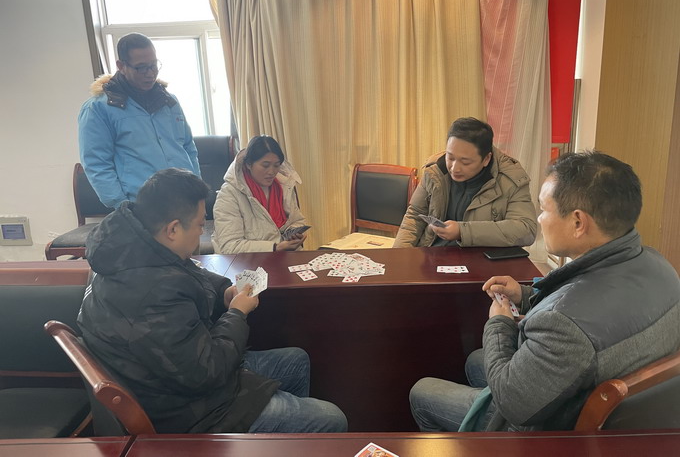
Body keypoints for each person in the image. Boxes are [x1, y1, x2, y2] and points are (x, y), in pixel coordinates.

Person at [409, 151, 680, 432]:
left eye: (544, 209)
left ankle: (476, 446)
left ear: (578, 222)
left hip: (548, 430)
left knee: (422, 392)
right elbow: (591, 308)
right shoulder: (660, 266)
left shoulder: (565, 326)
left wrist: (499, 323)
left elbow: (512, 404)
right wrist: (526, 296)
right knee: (476, 360)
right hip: (609, 401)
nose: (539, 219)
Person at [77, 168, 347, 433]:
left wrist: (224, 293)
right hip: (189, 412)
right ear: (173, 229)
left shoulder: (137, 251)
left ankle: (286, 443)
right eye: (199, 225)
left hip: (174, 379)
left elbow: (191, 276)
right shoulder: (151, 293)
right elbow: (207, 372)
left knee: (297, 361)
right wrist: (237, 314)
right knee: (330, 418)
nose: (201, 233)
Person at [78, 33, 200, 208]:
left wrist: (196, 189)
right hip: (140, 205)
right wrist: (121, 204)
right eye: (141, 68)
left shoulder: (170, 101)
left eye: (154, 65)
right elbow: (97, 163)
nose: (150, 73)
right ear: (121, 66)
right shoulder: (98, 108)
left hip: (185, 199)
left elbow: (188, 147)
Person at [394, 117, 537, 248]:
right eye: (450, 158)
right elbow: (415, 215)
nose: (454, 168)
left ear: (486, 159)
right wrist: (399, 257)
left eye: (465, 162)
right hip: (434, 254)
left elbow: (526, 230)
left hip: (482, 260)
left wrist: (463, 231)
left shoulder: (511, 179)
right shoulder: (435, 171)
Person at [212, 135, 307, 254]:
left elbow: (297, 220)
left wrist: (294, 235)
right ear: (249, 164)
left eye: (276, 165)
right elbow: (230, 246)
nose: (272, 172)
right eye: (265, 165)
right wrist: (275, 247)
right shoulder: (229, 194)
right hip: (245, 262)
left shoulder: (284, 186)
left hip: (283, 256)